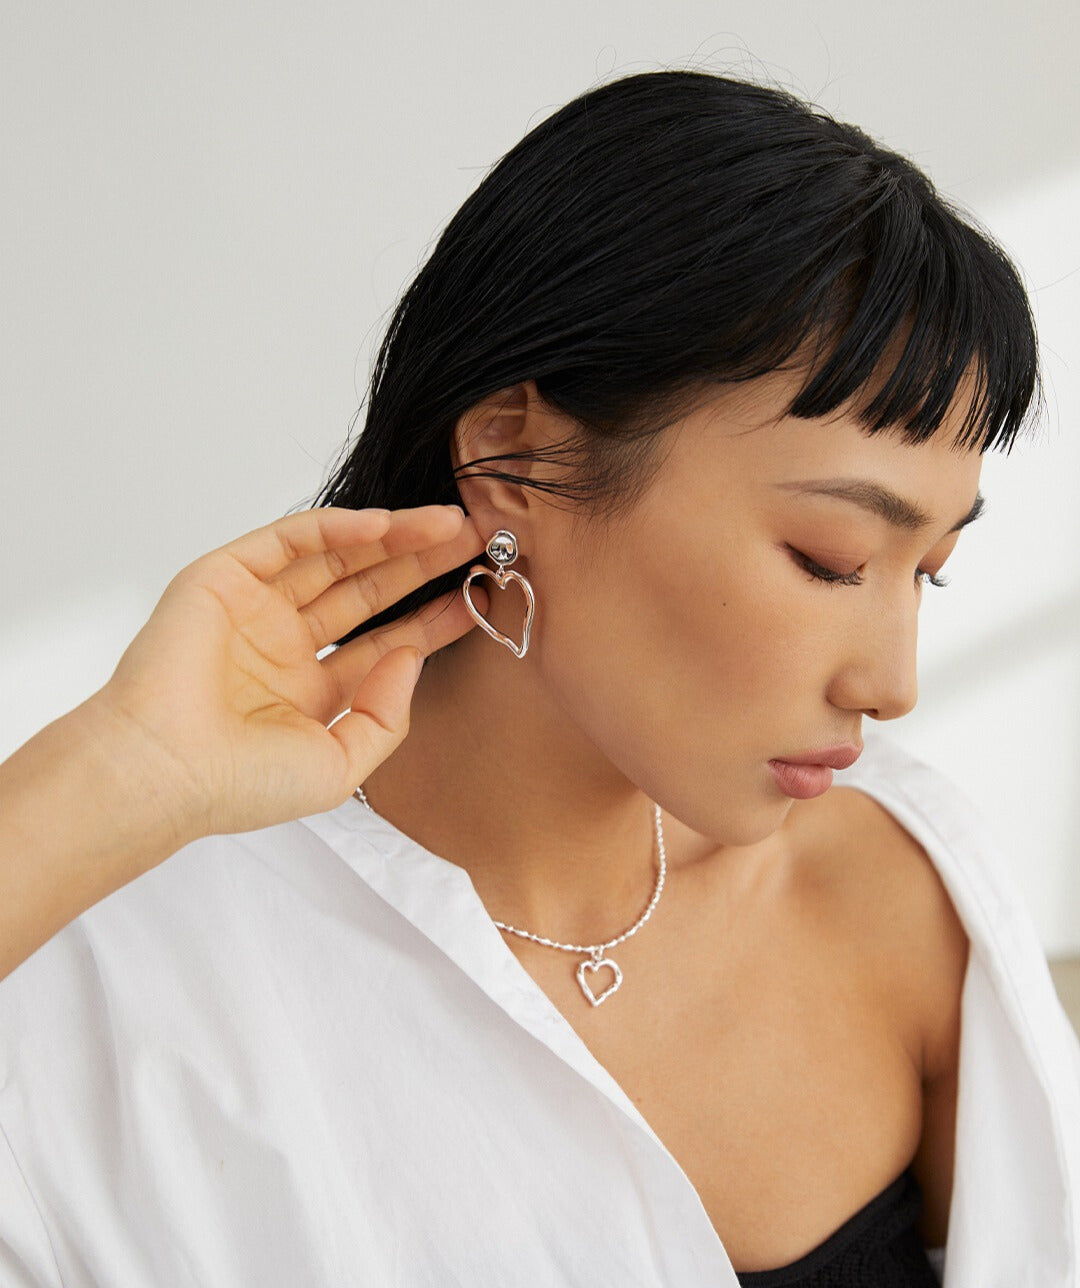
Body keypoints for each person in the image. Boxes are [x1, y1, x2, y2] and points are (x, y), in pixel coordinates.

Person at [1, 68, 1078, 1288]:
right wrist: (118, 772)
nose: (893, 684)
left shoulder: (903, 888)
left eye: (927, 572)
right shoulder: (105, 992)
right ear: (513, 453)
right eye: (830, 561)